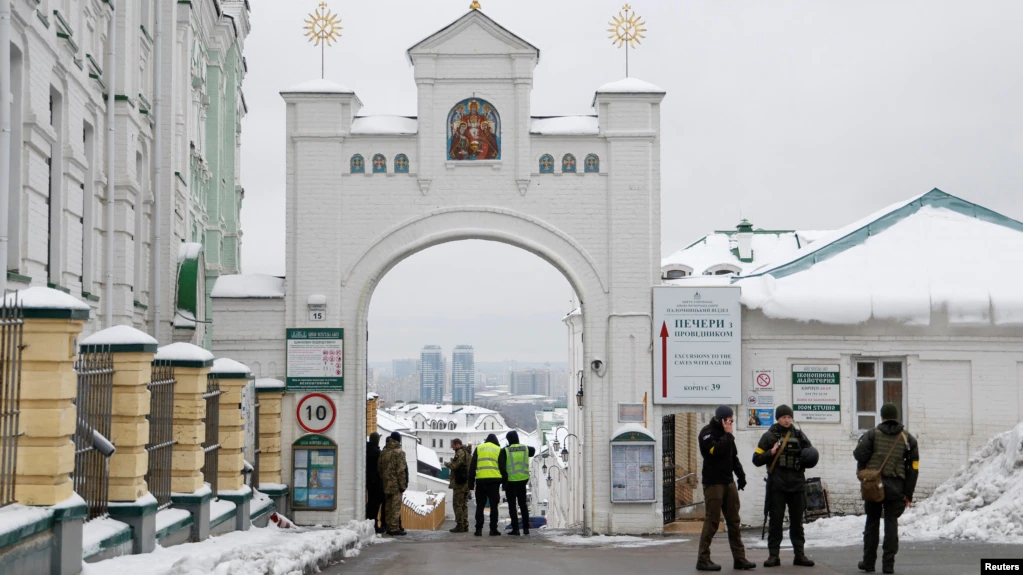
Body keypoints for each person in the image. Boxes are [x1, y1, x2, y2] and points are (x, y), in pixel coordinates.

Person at [854, 403, 919, 574]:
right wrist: (908, 494)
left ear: (882, 417)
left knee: (872, 523)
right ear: (896, 417)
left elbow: (859, 455)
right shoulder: (908, 438)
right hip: (896, 487)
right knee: (891, 524)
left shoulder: (872, 434)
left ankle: (868, 563)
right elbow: (914, 468)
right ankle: (888, 565)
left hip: (874, 486)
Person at [752, 405, 815, 568]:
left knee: (797, 522)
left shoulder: (800, 435)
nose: (787, 420)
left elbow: (810, 454)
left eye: (789, 417)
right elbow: (756, 459)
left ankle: (799, 554)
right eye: (783, 417)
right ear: (777, 418)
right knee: (776, 522)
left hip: (796, 485)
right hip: (777, 486)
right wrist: (771, 453)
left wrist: (809, 457)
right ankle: (774, 555)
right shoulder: (769, 436)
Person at [697, 405, 756, 572]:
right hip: (713, 483)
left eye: (732, 420)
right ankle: (703, 559)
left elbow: (733, 456)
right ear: (721, 419)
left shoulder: (727, 436)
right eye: (729, 420)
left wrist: (741, 476)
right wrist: (728, 435)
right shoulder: (707, 433)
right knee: (712, 521)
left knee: (734, 521)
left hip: (728, 482)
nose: (731, 422)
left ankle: (740, 558)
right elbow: (715, 451)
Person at [500, 430, 536, 536]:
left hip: (511, 482)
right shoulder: (525, 448)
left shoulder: (505, 451)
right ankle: (526, 528)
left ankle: (515, 529)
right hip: (522, 481)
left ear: (508, 440)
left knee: (512, 506)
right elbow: (533, 450)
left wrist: (504, 480)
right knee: (523, 505)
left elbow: (501, 467)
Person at [468, 433, 503, 536]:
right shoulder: (498, 449)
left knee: (480, 506)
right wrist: (504, 482)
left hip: (481, 482)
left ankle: (478, 530)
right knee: (494, 507)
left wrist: (471, 483)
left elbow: (472, 466)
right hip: (494, 483)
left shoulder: (479, 448)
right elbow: (502, 467)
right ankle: (493, 530)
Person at [378, 431, 408, 536]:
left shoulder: (384, 451)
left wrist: (385, 479)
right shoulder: (399, 452)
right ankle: (394, 528)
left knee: (388, 506)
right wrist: (402, 485)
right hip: (396, 484)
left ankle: (387, 526)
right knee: (395, 507)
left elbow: (380, 468)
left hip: (386, 483)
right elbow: (401, 470)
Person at [445, 438, 471, 533]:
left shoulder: (460, 453)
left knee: (458, 505)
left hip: (460, 484)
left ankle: (460, 525)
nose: (452, 447)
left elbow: (455, 466)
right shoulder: (467, 453)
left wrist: (448, 464)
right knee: (464, 504)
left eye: (453, 445)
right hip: (466, 483)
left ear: (457, 444)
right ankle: (465, 524)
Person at [366, 433, 385, 533]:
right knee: (375, 504)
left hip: (368, 480)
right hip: (376, 481)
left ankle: (369, 521)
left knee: (370, 503)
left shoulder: (366, 449)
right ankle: (373, 524)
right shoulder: (377, 452)